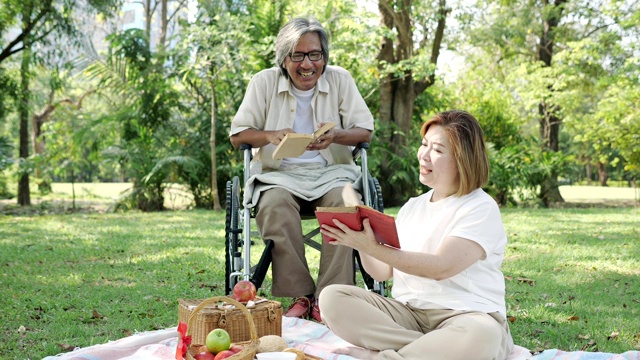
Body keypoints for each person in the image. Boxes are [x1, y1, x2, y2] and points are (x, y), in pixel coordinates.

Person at [318, 110, 514, 360]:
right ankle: (431, 351)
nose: (424, 155)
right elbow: (381, 272)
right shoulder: (412, 207)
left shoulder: (480, 207)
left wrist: (374, 247)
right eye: (424, 145)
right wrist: (361, 240)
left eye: (438, 150)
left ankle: (380, 356)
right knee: (333, 298)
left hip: (465, 317)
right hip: (407, 315)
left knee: (482, 335)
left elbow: (441, 267)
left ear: (463, 160)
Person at [229, 17, 374, 323]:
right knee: (274, 205)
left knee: (347, 204)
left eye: (315, 54)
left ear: (324, 56)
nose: (308, 64)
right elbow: (238, 135)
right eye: (298, 55)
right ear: (284, 58)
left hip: (332, 174)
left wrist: (335, 136)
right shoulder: (264, 82)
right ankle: (302, 296)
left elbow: (365, 132)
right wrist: (269, 136)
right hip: (278, 176)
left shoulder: (341, 80)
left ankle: (329, 298)